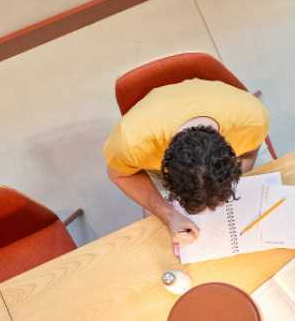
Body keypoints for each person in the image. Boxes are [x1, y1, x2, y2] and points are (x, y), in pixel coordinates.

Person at [103, 78, 269, 246]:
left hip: (234, 129)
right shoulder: (131, 143)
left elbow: (249, 153)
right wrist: (168, 215)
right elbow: (119, 175)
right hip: (151, 147)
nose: (210, 212)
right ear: (167, 175)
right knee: (158, 238)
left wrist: (240, 174)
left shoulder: (252, 120)